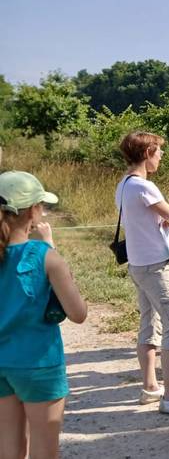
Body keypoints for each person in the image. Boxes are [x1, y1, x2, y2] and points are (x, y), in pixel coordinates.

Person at [0, 171, 87, 459]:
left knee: (9, 449)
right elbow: (78, 313)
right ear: (32, 212)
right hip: (38, 364)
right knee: (44, 451)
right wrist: (50, 247)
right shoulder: (45, 255)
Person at [116, 131, 169, 416]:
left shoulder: (124, 184)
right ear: (148, 152)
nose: (161, 156)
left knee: (149, 321)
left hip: (138, 263)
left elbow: (139, 221)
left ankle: (150, 386)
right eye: (159, 151)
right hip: (156, 264)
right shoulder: (145, 187)